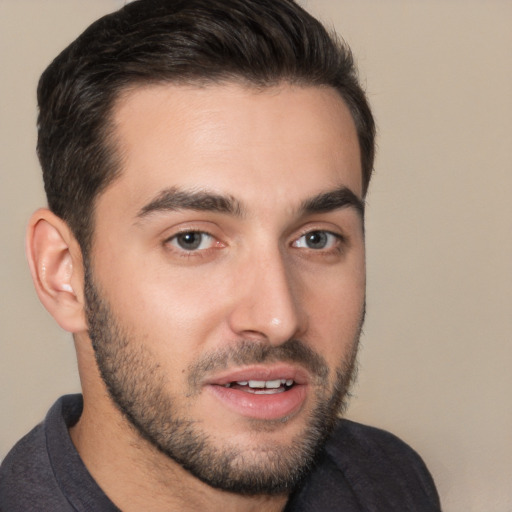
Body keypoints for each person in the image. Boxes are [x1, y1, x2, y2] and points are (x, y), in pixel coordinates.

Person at [0, 0, 441, 510]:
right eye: (192, 239)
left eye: (316, 238)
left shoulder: (386, 478)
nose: (278, 318)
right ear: (64, 273)